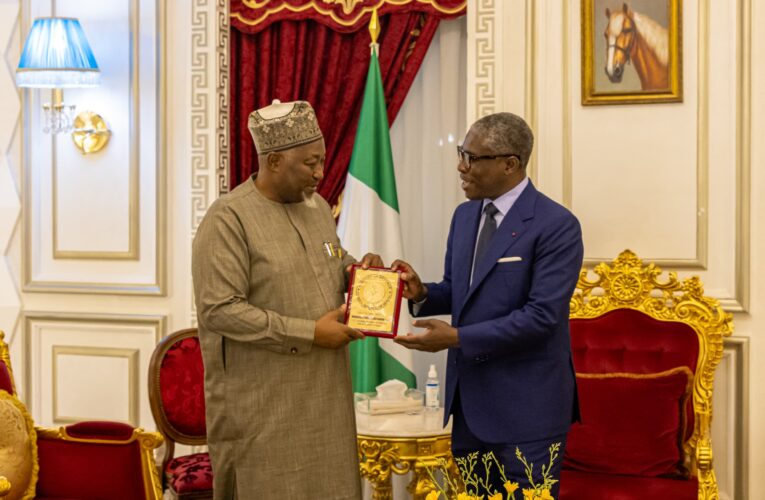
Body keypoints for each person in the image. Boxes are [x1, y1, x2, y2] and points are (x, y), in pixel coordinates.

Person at [192, 99, 380, 500]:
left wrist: (361, 273)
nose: (320, 173)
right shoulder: (229, 218)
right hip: (264, 407)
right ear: (274, 160)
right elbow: (219, 309)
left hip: (325, 398)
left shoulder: (315, 209)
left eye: (322, 160)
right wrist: (310, 333)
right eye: (310, 163)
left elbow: (330, 260)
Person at [392, 112, 583, 497]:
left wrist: (457, 337)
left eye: (472, 158)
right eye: (462, 154)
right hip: (470, 411)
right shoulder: (464, 216)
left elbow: (541, 317)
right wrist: (422, 294)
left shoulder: (556, 225)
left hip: (528, 415)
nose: (461, 167)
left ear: (510, 163)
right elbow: (461, 290)